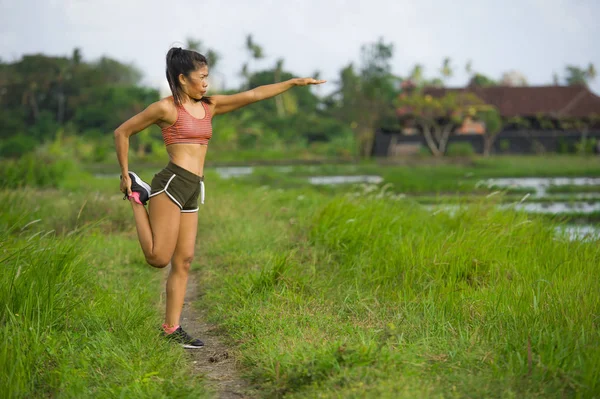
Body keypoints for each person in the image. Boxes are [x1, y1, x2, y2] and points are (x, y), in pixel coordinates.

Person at [114, 47, 325, 348]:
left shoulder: (210, 106)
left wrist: (290, 83)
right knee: (158, 258)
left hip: (192, 187)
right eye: (200, 78)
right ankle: (138, 194)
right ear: (182, 79)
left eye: (207, 77)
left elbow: (253, 95)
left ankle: (171, 329)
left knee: (184, 261)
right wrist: (124, 174)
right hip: (172, 184)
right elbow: (122, 132)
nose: (206, 83)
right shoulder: (166, 108)